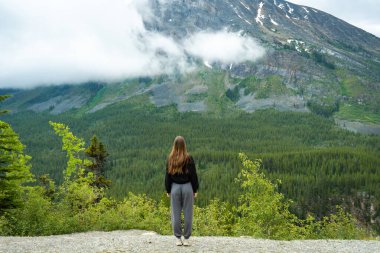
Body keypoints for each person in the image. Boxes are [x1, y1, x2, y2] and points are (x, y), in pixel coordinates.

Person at [165, 136, 199, 246]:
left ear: (174, 145)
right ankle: (187, 239)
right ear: (184, 145)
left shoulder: (170, 158)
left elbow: (167, 176)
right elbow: (193, 175)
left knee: (175, 213)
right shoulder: (189, 158)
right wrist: (195, 189)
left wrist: (168, 189)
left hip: (174, 187)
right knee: (188, 213)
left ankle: (178, 238)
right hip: (187, 187)